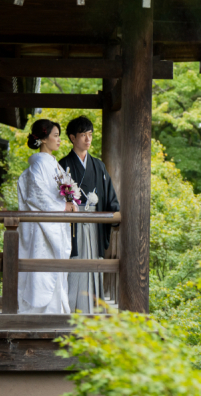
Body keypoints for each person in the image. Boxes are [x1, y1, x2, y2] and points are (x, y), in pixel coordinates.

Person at [59, 116, 120, 313]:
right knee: (76, 260)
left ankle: (93, 305)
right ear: (72, 138)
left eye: (90, 134)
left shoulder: (98, 166)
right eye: (83, 135)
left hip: (95, 222)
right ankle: (74, 306)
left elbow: (109, 194)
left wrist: (115, 212)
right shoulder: (63, 164)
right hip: (73, 223)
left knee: (94, 261)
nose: (88, 139)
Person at [16, 119, 77, 314]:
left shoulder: (52, 164)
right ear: (43, 139)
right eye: (55, 136)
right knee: (41, 270)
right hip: (42, 228)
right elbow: (37, 196)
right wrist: (64, 205)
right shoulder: (39, 165)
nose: (59, 140)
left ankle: (56, 309)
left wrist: (71, 201)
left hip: (53, 224)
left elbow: (61, 192)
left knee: (53, 270)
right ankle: (40, 312)